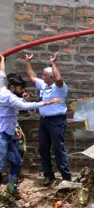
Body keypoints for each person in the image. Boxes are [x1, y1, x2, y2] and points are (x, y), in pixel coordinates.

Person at [0, 70, 61, 192]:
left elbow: (2, 74)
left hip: (7, 134)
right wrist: (47, 102)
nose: (22, 91)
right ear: (12, 87)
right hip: (1, 135)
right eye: (20, 89)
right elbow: (24, 107)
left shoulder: (6, 91)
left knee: (17, 162)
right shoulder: (7, 96)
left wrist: (2, 60)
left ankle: (11, 191)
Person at [24, 53, 73, 185]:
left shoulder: (60, 87)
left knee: (58, 148)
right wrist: (28, 62)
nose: (42, 76)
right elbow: (32, 77)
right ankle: (49, 176)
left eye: (44, 74)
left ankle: (66, 177)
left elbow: (58, 79)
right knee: (43, 147)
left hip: (57, 121)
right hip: (44, 121)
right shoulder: (44, 85)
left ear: (50, 76)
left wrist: (53, 63)